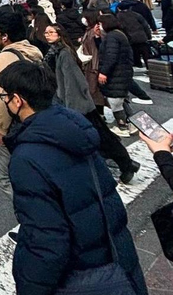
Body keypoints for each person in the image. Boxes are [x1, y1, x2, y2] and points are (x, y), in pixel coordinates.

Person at [0, 61, 149, 295]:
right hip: (118, 263)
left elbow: (47, 243)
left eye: (5, 96)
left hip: (82, 283)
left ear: (17, 100)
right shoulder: (74, 129)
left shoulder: (28, 158)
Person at [43, 24, 140, 183]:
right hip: (74, 103)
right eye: (46, 32)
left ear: (60, 35)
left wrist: (71, 109)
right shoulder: (55, 52)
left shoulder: (64, 53)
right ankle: (126, 163)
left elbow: (72, 82)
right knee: (100, 135)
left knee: (99, 137)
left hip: (77, 105)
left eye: (51, 32)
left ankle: (125, 164)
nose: (47, 35)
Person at [0, 11, 43, 199]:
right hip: (34, 118)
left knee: (1, 175)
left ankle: (32, 208)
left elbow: (1, 97)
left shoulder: (5, 57)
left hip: (13, 124)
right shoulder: (31, 50)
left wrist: (2, 129)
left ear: (5, 36)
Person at [98, 13, 135, 137]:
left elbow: (111, 56)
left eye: (100, 23)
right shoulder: (119, 34)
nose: (99, 26)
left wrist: (103, 72)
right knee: (121, 99)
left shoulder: (112, 37)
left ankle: (122, 126)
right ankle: (131, 123)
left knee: (115, 101)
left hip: (116, 73)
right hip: (123, 71)